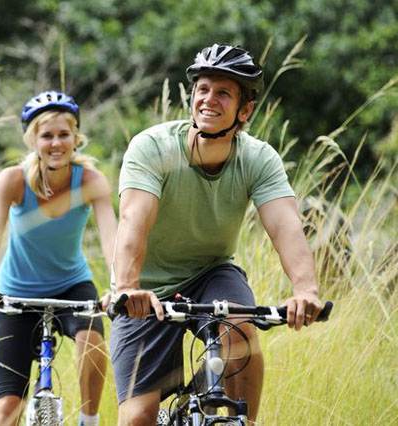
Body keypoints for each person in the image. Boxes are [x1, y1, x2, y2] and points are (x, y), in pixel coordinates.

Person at [109, 44, 324, 425]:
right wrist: (127, 285)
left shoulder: (258, 158)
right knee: (137, 417)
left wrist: (305, 290)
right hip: (145, 289)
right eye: (203, 89)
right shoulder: (153, 147)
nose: (209, 99)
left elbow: (285, 226)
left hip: (211, 273)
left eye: (223, 92)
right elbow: (133, 220)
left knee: (241, 326)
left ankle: (243, 422)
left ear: (245, 110)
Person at [0, 90, 117, 426]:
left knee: (92, 342)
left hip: (71, 286)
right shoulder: (13, 181)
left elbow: (112, 239)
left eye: (63, 135)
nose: (56, 143)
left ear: (76, 137)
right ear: (32, 140)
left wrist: (118, 286)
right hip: (16, 292)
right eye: (46, 135)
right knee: (7, 406)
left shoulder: (91, 181)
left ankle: (89, 420)